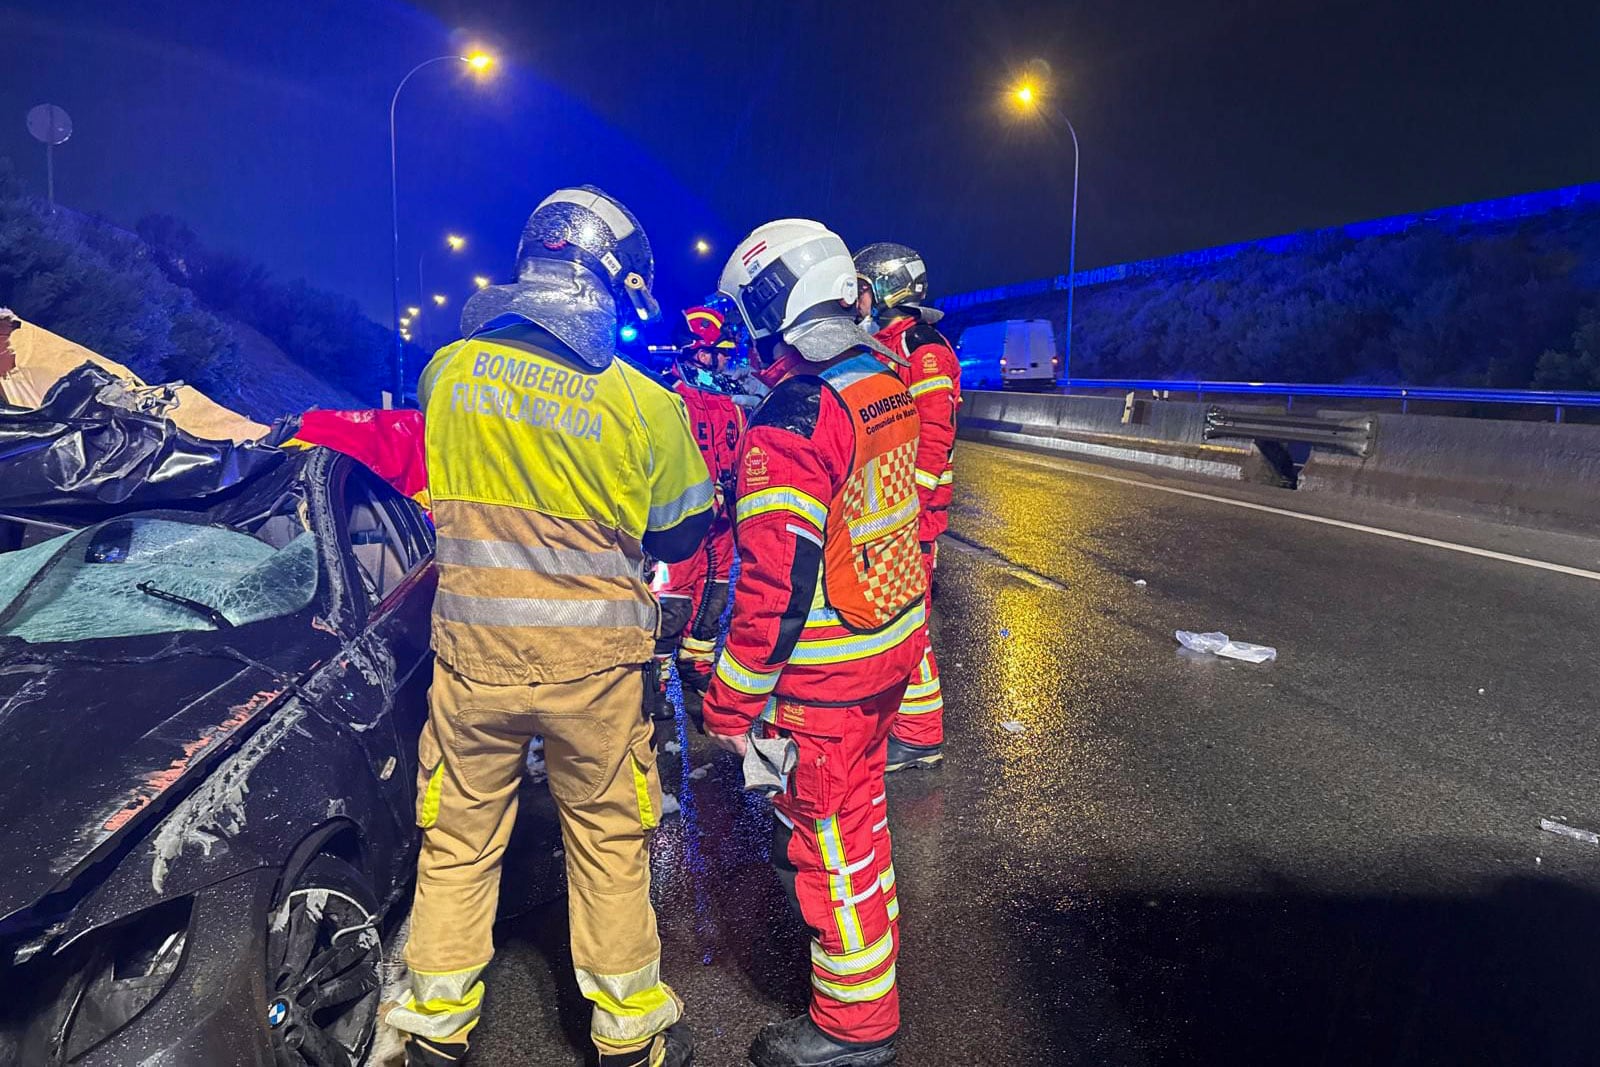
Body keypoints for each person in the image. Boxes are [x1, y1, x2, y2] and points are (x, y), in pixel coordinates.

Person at [388, 186, 711, 1067]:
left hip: (471, 658)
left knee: (456, 838)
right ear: (606, 277)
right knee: (607, 838)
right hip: (593, 668)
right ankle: (629, 1033)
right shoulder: (641, 402)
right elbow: (684, 528)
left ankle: (435, 1029)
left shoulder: (448, 372)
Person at [703, 220, 926, 1067]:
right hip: (888, 653)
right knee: (862, 826)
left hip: (827, 680)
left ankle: (854, 1026)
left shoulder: (793, 417)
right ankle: (873, 963)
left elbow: (773, 589)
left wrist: (728, 702)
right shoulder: (884, 378)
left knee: (826, 840)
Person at [852, 244, 961, 773]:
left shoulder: (924, 350)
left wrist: (909, 504)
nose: (859, 299)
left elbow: (934, 434)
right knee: (893, 617)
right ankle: (906, 726)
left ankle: (919, 735)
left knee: (907, 623)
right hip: (893, 513)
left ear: (887, 292)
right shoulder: (888, 344)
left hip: (912, 516)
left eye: (865, 289)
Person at [648, 305, 746, 727]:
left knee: (715, 597)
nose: (727, 360)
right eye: (719, 352)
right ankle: (654, 677)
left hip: (722, 526)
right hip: (683, 523)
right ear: (697, 352)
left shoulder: (734, 405)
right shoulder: (668, 400)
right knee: (671, 600)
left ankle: (695, 664)